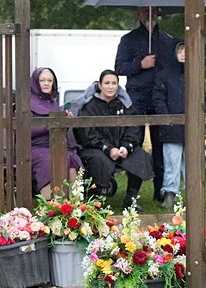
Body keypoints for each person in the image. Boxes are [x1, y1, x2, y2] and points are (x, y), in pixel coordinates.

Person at [114, 6, 175, 201]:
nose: (148, 14)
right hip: (137, 97)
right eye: (144, 11)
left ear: (158, 12)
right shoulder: (128, 40)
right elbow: (119, 67)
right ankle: (131, 195)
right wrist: (140, 64)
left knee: (161, 144)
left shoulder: (167, 40)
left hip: (160, 99)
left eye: (152, 10)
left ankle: (160, 192)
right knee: (135, 144)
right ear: (137, 13)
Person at [75, 70, 154, 210]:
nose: (110, 86)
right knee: (100, 161)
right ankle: (98, 199)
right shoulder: (89, 106)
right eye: (107, 83)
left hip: (121, 148)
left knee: (141, 157)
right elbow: (87, 134)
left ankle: (131, 199)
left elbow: (134, 129)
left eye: (114, 83)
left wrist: (126, 147)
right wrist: (108, 148)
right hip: (96, 149)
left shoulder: (125, 105)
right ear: (99, 85)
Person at [29, 67, 83, 196]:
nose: (46, 83)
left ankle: (74, 205)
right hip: (35, 147)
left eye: (49, 80)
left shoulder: (53, 102)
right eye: (42, 80)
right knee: (48, 160)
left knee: (71, 159)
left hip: (56, 144)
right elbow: (27, 130)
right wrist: (50, 124)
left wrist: (65, 121)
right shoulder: (26, 103)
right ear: (35, 83)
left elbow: (58, 129)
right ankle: (51, 204)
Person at [152, 40, 187, 210]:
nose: (183, 54)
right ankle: (169, 194)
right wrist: (167, 119)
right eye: (180, 50)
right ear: (174, 53)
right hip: (171, 126)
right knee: (172, 161)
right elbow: (158, 98)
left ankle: (193, 195)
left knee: (193, 163)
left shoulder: (196, 74)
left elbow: (201, 98)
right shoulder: (164, 75)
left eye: (186, 50)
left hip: (191, 125)